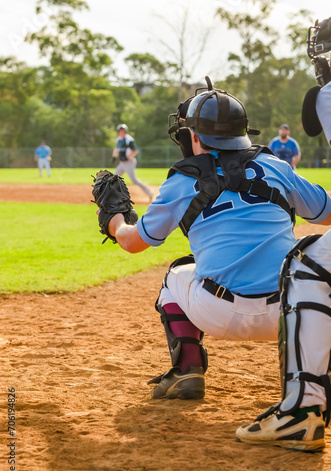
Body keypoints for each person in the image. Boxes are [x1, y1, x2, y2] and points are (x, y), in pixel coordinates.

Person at [100, 78, 331, 429]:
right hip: (291, 313)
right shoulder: (278, 167)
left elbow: (133, 242)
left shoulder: (179, 182)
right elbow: (327, 214)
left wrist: (116, 221)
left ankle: (187, 371)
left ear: (193, 137)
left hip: (217, 313)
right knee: (314, 270)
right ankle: (311, 379)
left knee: (176, 274)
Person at [236, 70, 331, 451]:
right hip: (296, 180)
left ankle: (302, 411)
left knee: (304, 262)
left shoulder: (327, 95)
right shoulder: (277, 147)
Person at [113, 124, 153, 202]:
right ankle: (115, 197)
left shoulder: (129, 140)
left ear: (125, 132)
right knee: (114, 178)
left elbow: (135, 151)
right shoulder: (118, 140)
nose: (121, 132)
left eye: (122, 131)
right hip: (122, 163)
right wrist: (114, 157)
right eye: (119, 131)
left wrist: (127, 157)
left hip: (129, 162)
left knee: (134, 180)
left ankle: (149, 193)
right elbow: (117, 149)